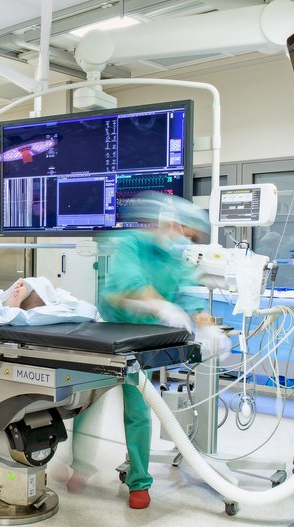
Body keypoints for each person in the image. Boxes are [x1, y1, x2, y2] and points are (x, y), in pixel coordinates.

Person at [71, 198, 212, 509]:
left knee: (138, 411)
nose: (183, 240)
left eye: (190, 237)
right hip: (108, 334)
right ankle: (80, 467)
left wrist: (201, 320)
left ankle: (140, 482)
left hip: (143, 342)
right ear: (167, 223)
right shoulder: (131, 242)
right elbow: (128, 285)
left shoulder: (176, 259)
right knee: (88, 405)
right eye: (182, 232)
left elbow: (186, 294)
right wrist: (160, 304)